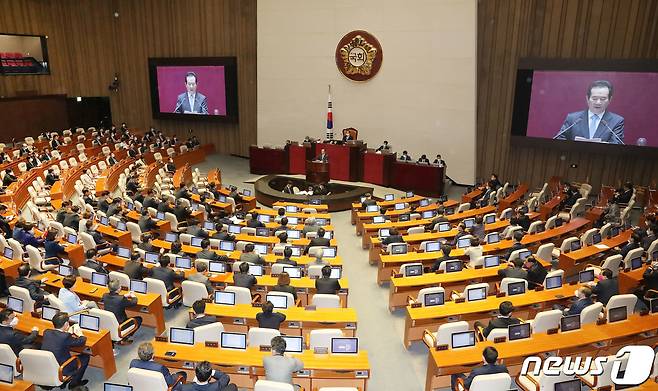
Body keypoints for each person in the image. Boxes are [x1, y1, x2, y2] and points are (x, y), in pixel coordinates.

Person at [555, 80, 624, 144]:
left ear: (610, 99)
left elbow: (617, 144)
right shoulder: (573, 118)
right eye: (594, 98)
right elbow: (559, 138)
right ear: (587, 98)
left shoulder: (617, 121)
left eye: (603, 99)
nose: (598, 102)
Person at [42, 312, 90, 389]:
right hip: (62, 368)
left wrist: (66, 333)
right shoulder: (65, 337)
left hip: (48, 365)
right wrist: (80, 334)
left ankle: (65, 381)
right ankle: (74, 383)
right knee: (85, 357)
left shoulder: (46, 332)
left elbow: (59, 339)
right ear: (66, 324)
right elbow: (81, 342)